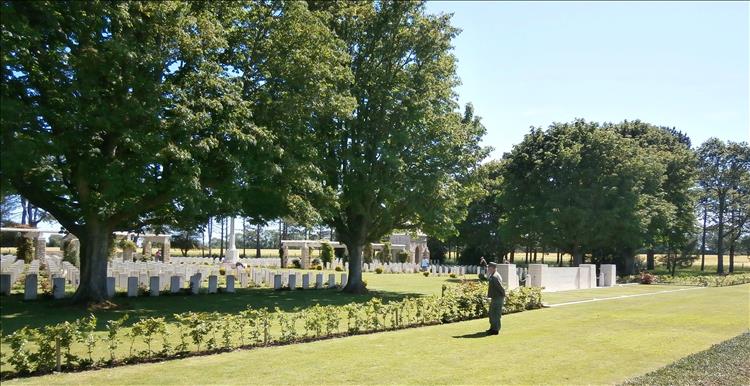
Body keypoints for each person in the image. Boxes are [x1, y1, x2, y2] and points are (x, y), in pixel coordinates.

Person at [486, 262, 505, 335]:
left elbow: (500, 288)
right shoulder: (493, 275)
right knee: (492, 313)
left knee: (495, 314)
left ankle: (495, 330)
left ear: (493, 268)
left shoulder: (495, 276)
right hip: (495, 297)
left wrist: (503, 295)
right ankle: (493, 328)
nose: (488, 269)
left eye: (489, 267)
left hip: (498, 297)